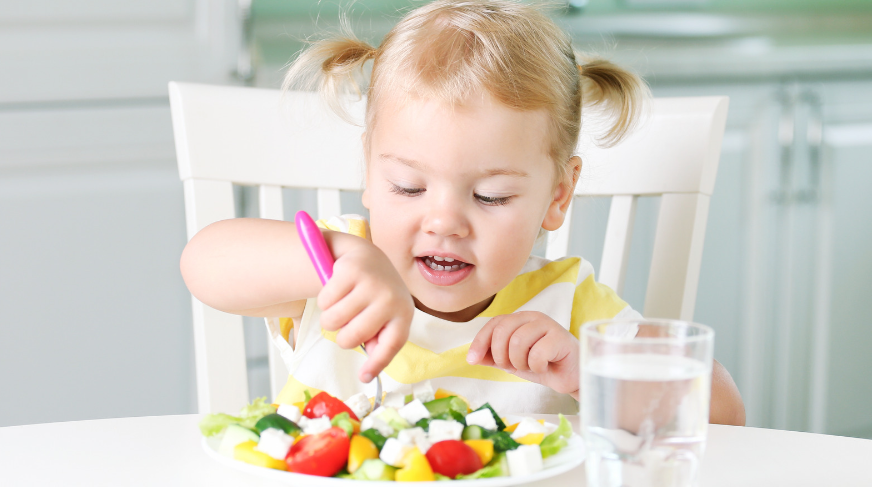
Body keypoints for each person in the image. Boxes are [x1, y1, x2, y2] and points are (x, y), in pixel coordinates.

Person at [180, 0, 745, 424]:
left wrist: (592, 374)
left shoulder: (569, 305)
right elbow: (203, 262)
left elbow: (722, 412)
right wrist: (344, 258)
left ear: (557, 197)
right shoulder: (331, 274)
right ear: (369, 175)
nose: (444, 222)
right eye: (407, 186)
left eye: (490, 196)